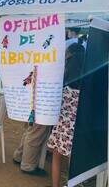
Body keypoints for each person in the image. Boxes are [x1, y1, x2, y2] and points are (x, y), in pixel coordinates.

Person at [47, 43, 85, 187]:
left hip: (61, 128)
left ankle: (55, 185)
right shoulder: (86, 89)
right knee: (74, 161)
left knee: (56, 158)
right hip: (78, 129)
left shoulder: (63, 86)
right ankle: (74, 183)